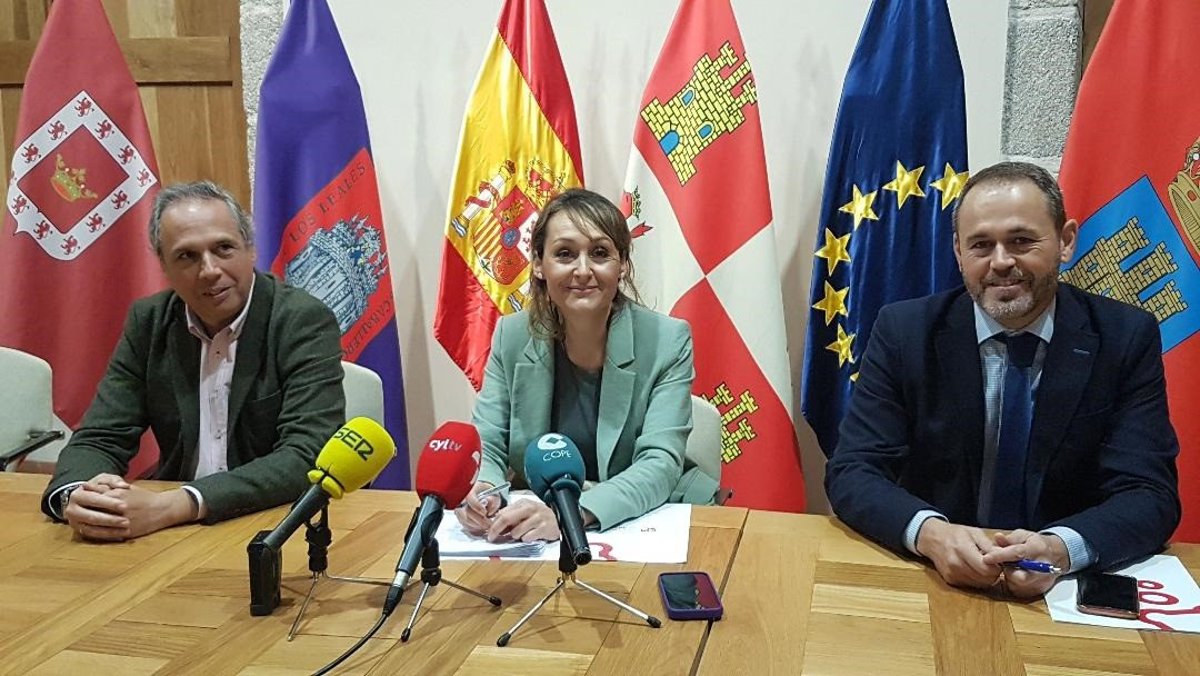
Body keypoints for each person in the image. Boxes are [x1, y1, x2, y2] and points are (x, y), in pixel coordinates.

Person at [825, 161, 1180, 598]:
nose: (1001, 262)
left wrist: (1060, 548)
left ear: (1066, 241)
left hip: (1059, 592)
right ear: (958, 252)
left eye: (1021, 241)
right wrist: (931, 534)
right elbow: (853, 470)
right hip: (935, 582)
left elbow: (1149, 493)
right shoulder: (905, 332)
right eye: (980, 245)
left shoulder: (1124, 337)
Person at [40, 181, 345, 541]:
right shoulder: (150, 322)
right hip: (172, 530)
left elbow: (308, 454)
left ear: (251, 249)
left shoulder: (301, 320)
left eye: (223, 248)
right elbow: (101, 436)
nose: (210, 270)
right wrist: (79, 497)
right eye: (187, 256)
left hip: (272, 523)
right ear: (164, 267)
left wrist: (177, 504)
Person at [454, 188, 712, 542]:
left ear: (622, 265)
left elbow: (660, 463)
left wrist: (570, 515)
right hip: (540, 529)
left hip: (644, 519)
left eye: (600, 253)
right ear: (538, 264)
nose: (583, 270)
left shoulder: (667, 340)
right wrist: (483, 490)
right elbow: (489, 441)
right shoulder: (511, 336)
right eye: (564, 254)